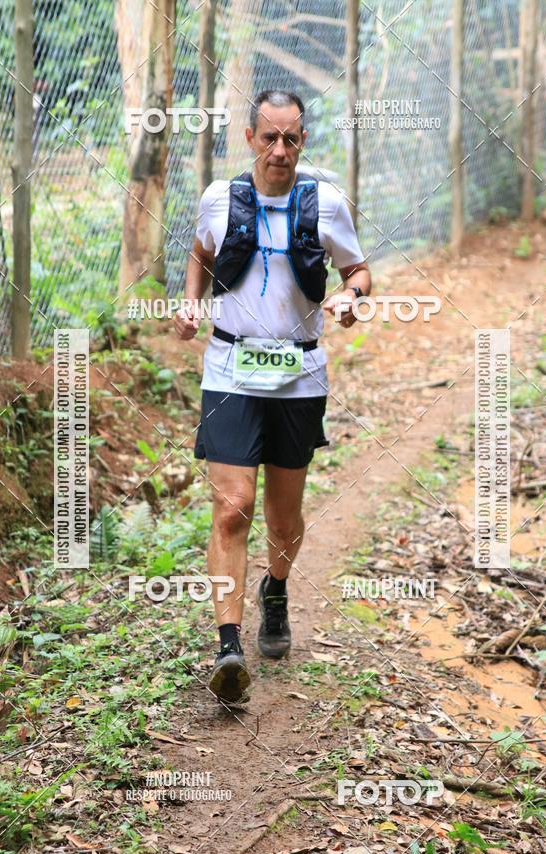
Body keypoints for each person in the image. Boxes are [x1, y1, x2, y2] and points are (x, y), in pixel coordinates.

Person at [175, 88, 371, 704]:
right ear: (250, 137)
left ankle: (276, 591)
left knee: (284, 518)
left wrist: (350, 299)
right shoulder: (220, 199)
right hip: (230, 368)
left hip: (298, 375)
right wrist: (190, 302)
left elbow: (359, 272)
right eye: (269, 138)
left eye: (291, 138)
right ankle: (229, 645)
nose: (280, 150)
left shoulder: (327, 203)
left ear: (303, 140)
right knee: (233, 505)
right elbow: (201, 253)